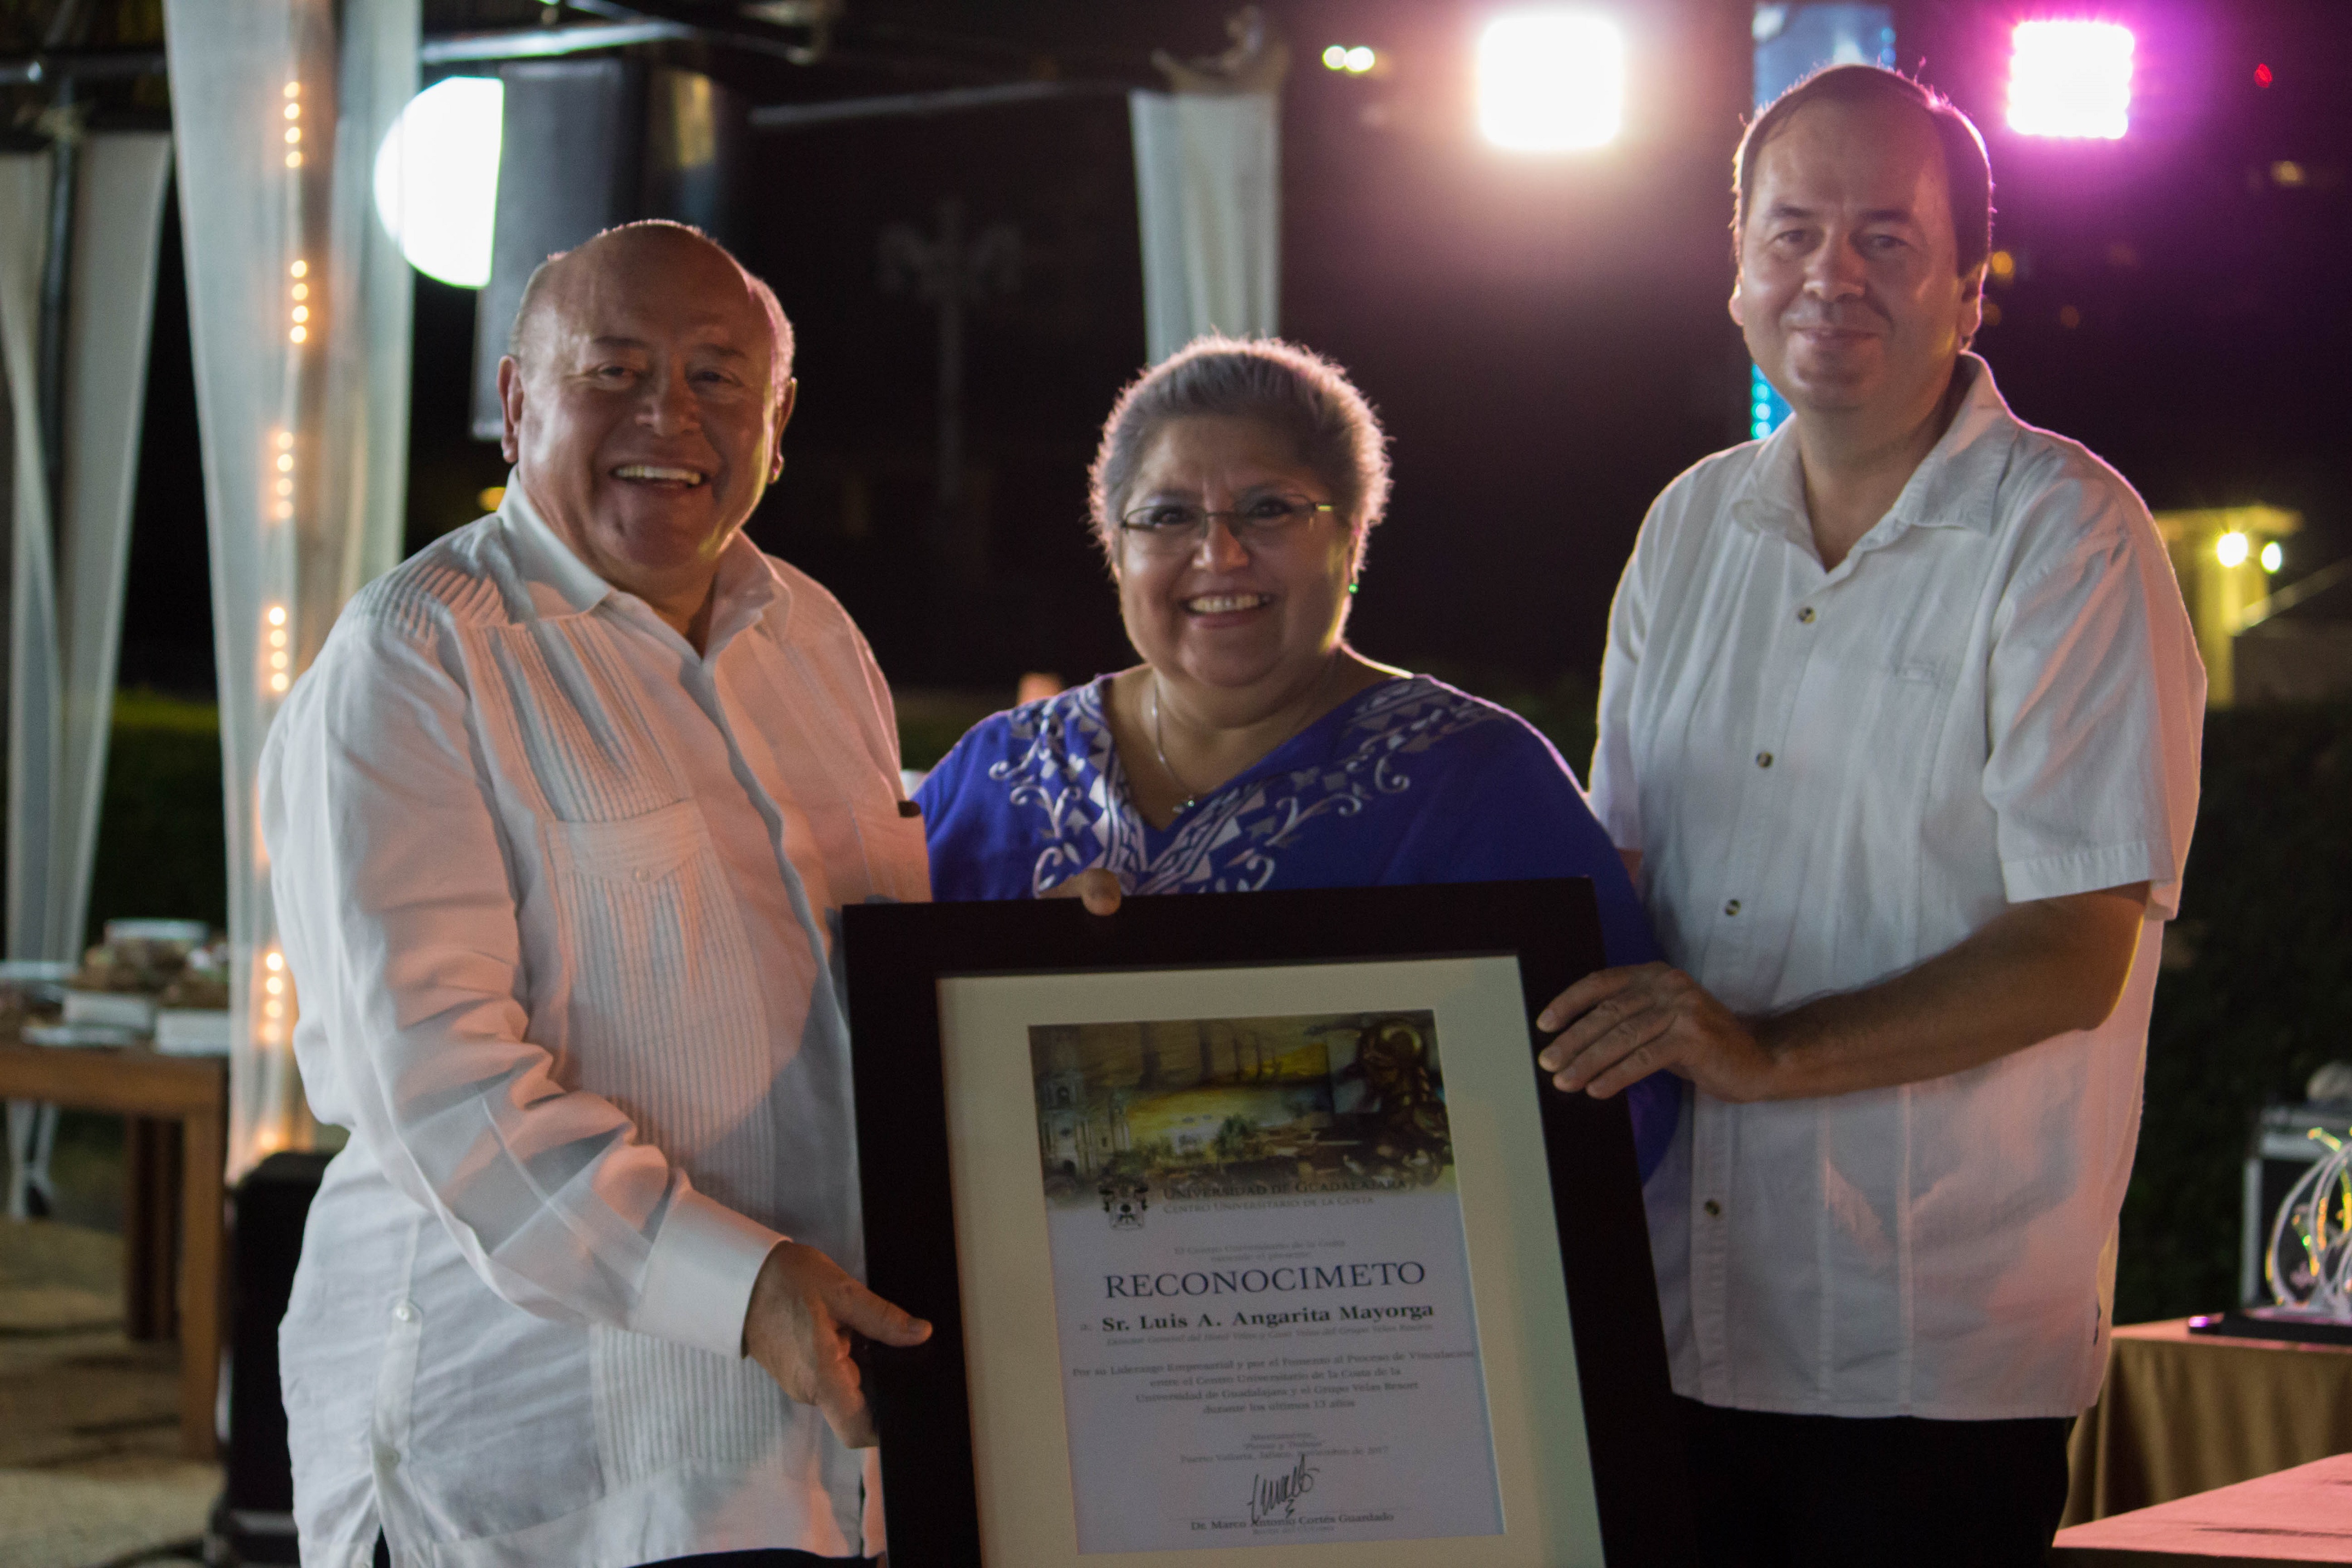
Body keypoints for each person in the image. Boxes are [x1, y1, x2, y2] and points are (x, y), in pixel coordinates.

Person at [1534, 66, 2203, 1564]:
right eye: (1791, 234)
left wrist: (1761, 1054)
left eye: (1885, 240)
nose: (1830, 275)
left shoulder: (2067, 537)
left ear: (1972, 287)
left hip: (1927, 1354)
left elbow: (2072, 949)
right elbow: (1617, 882)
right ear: (1735, 275)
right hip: (1671, 1319)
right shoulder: (1687, 526)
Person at [261, 221, 931, 1567]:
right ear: (516, 402)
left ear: (778, 419)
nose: (666, 415)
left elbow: (879, 984)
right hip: (551, 1467)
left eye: (715, 378)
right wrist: (739, 1294)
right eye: (613, 370)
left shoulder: (815, 637)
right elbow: (444, 1093)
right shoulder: (417, 657)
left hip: (809, 1466)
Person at [917, 335, 1678, 1177]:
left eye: (1269, 509)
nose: (1219, 555)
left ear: (1351, 540)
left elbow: (1621, 1102)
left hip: (1381, 1299)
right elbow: (873, 1068)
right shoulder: (1001, 775)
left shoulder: (1474, 779)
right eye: (1167, 516)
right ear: (1115, 549)